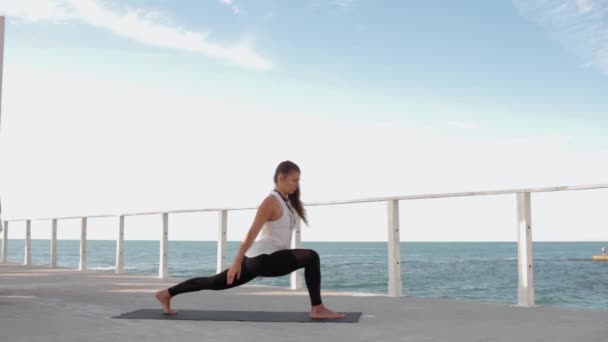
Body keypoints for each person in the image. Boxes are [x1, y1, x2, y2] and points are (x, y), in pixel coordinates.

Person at [155, 160, 345, 319]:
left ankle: (166, 294)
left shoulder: (285, 201)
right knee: (311, 256)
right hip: (262, 259)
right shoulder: (270, 202)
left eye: (298, 181)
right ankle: (317, 308)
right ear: (281, 178)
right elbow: (250, 234)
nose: (297, 184)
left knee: (213, 282)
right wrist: (236, 262)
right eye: (294, 180)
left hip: (261, 259)